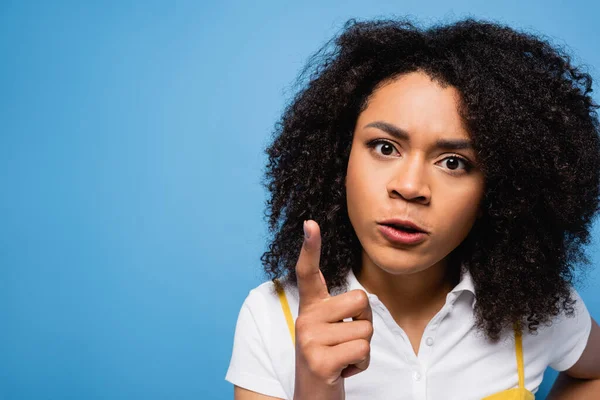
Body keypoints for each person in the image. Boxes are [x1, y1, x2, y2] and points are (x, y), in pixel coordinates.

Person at [225, 18, 600, 400]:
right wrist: (316, 386)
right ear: (340, 157)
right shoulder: (272, 318)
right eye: (385, 147)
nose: (409, 187)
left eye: (453, 162)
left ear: (502, 190)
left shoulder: (537, 306)